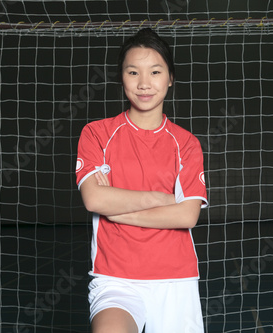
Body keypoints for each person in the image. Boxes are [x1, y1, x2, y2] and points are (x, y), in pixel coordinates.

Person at [75, 28, 208, 333]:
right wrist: (159, 199)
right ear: (121, 77)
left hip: (176, 278)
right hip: (116, 278)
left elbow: (187, 214)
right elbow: (95, 199)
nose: (144, 83)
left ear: (170, 78)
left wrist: (118, 209)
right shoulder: (96, 134)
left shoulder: (186, 143)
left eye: (155, 72)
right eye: (133, 72)